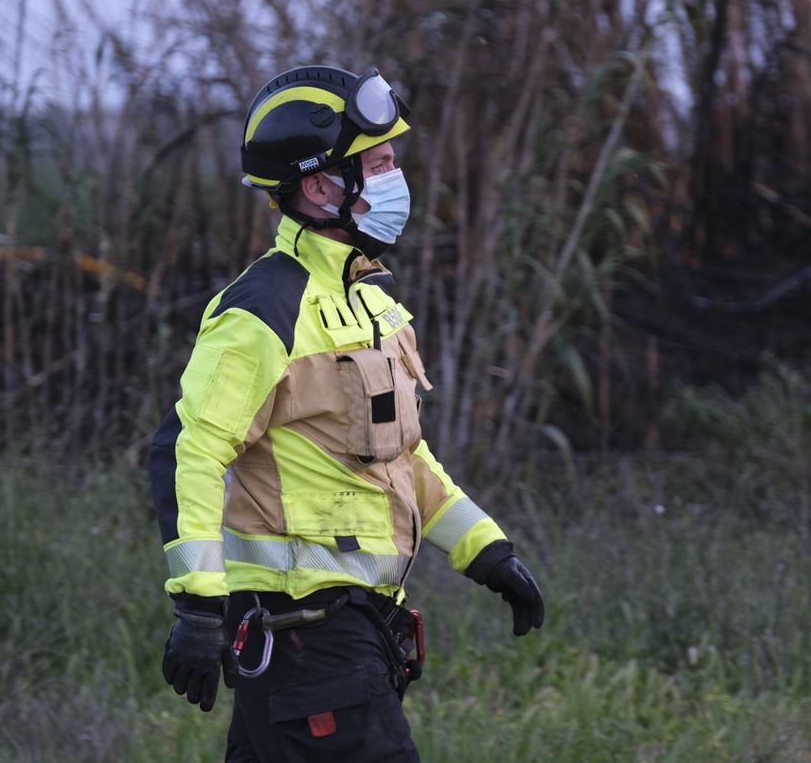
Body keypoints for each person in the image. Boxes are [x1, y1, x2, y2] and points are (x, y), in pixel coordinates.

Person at [149, 65, 546, 761]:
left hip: (357, 631)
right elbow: (193, 449)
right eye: (381, 163)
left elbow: (402, 457)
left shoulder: (373, 305)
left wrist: (487, 551)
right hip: (306, 635)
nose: (397, 179)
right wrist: (197, 605)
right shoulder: (261, 311)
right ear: (319, 185)